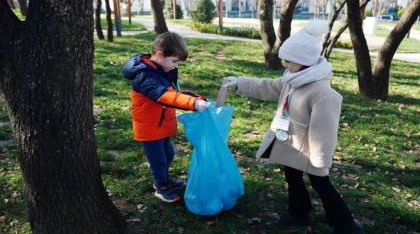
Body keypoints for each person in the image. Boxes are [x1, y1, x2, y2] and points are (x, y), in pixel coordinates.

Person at [223, 20, 363, 233]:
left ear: (304, 60)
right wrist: (240, 82)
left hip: (309, 151)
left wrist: (320, 159)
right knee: (292, 175)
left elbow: (325, 130)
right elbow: (269, 87)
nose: (284, 64)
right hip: (289, 141)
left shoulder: (323, 93)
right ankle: (300, 212)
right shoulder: (293, 78)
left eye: (288, 60)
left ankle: (346, 224)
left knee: (321, 184)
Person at [123, 32, 210, 203]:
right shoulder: (145, 77)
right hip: (150, 127)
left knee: (168, 154)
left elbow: (175, 93)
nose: (175, 66)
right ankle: (161, 187)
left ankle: (164, 179)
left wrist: (197, 99)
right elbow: (164, 96)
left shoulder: (160, 71)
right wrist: (192, 104)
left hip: (160, 125)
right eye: (174, 61)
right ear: (159, 55)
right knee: (158, 159)